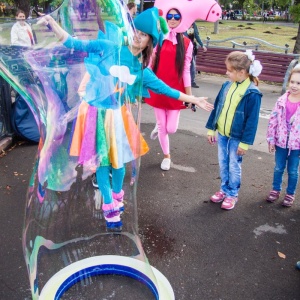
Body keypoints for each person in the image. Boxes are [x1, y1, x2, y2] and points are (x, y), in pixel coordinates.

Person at [38, 7, 213, 229]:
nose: (136, 35)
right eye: (136, 31)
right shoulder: (109, 47)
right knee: (102, 164)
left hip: (118, 118)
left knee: (119, 165)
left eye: (142, 34)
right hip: (96, 114)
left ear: (149, 43)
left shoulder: (141, 71)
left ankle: (117, 197)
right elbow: (74, 44)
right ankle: (110, 209)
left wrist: (192, 98)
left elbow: (166, 89)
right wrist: (53, 25)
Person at [206, 50, 263, 210]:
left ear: (242, 72)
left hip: (237, 138)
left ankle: (232, 194)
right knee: (223, 163)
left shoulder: (252, 93)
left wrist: (245, 143)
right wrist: (211, 129)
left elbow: (252, 121)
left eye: (230, 70)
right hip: (223, 134)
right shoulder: (226, 86)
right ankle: (224, 190)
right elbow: (217, 107)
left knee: (233, 165)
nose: (227, 73)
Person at [146, 8, 193, 171]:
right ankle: (167, 156)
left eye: (176, 16)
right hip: (158, 87)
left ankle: (160, 128)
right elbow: (150, 64)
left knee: (170, 129)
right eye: (169, 16)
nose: (172, 19)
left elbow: (186, 70)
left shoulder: (187, 43)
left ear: (182, 19)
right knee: (162, 126)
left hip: (175, 91)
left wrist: (189, 96)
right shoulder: (159, 38)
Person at [265, 66, 300, 207]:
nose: (294, 86)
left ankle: (290, 193)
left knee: (293, 171)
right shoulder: (281, 100)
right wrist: (271, 139)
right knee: (279, 168)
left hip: (296, 145)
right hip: (280, 142)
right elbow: (273, 120)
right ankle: (275, 190)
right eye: (292, 82)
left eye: (299, 83)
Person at [184, 22, 207, 88]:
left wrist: (202, 45)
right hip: (182, 47)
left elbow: (196, 35)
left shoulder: (193, 24)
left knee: (192, 65)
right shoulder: (182, 22)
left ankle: (192, 81)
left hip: (191, 48)